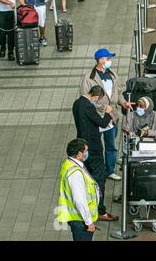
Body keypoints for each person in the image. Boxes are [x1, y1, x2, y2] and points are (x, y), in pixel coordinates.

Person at [80, 48, 134, 182]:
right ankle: (95, 169)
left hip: (112, 117)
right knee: (95, 146)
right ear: (100, 60)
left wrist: (123, 103)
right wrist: (104, 107)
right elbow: (85, 99)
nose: (110, 61)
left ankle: (110, 170)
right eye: (108, 58)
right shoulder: (89, 78)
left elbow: (118, 93)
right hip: (96, 118)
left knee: (111, 145)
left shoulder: (113, 74)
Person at [72, 86, 118, 222]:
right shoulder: (88, 106)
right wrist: (108, 113)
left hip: (82, 146)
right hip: (93, 149)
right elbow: (103, 123)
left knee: (86, 179)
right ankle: (100, 210)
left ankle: (87, 207)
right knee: (99, 178)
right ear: (96, 96)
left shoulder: (77, 103)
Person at [57, 138, 100, 241]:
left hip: (79, 219)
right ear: (79, 154)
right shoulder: (75, 173)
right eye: (86, 151)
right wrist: (89, 222)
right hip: (80, 221)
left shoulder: (70, 164)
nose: (87, 153)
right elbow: (79, 199)